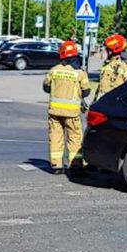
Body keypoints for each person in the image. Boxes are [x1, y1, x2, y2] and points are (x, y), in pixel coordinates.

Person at [42, 40, 91, 174]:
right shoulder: (79, 73)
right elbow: (87, 91)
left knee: (56, 137)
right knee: (75, 138)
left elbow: (46, 87)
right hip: (72, 113)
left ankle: (56, 165)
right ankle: (75, 165)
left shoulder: (54, 70)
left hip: (55, 112)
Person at [97, 33, 127, 98]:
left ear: (111, 51)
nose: (105, 50)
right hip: (105, 100)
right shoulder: (109, 63)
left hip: (114, 101)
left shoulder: (125, 65)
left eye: (107, 48)